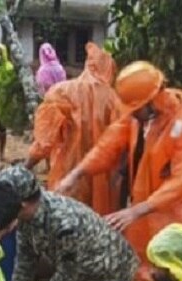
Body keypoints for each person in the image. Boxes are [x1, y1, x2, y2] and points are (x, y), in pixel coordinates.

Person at [57, 61, 182, 279]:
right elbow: (110, 144)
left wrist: (135, 211)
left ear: (152, 100)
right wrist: (76, 173)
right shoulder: (141, 116)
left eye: (136, 110)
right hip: (149, 203)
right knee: (145, 263)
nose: (132, 115)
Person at [0, 165, 138, 281]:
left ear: (22, 203)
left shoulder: (63, 224)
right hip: (78, 270)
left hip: (111, 271)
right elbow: (25, 263)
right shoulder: (26, 219)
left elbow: (65, 279)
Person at [26, 43, 122, 215]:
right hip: (103, 184)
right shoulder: (115, 100)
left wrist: (25, 167)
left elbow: (44, 142)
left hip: (67, 176)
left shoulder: (61, 92)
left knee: (66, 225)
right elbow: (122, 148)